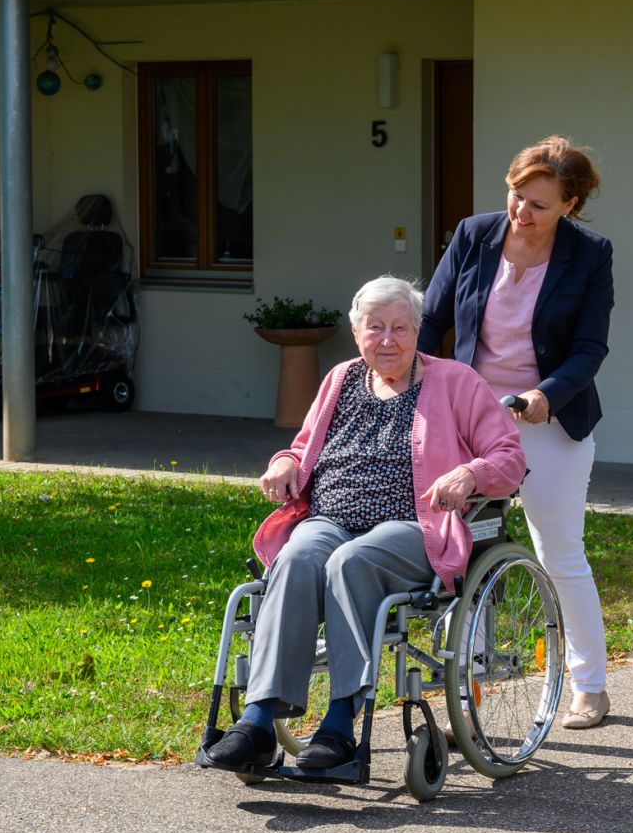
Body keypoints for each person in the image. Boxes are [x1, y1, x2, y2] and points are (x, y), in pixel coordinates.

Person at [203, 276, 526, 774]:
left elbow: (508, 456)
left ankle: (338, 724)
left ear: (419, 330)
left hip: (412, 525)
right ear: (356, 332)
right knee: (295, 558)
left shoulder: (455, 382)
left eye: (400, 327)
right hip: (330, 517)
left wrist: (467, 473)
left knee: (352, 561)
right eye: (375, 328)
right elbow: (304, 446)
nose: (387, 339)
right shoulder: (340, 379)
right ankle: (258, 720)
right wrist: (286, 462)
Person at [419, 136, 616, 729]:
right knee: (463, 552)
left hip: (548, 421)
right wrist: (415, 397)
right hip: (471, 420)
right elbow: (432, 318)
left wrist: (543, 396)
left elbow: (589, 348)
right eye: (515, 195)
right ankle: (470, 682)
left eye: (538, 204)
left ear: (570, 205)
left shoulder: (590, 254)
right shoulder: (474, 234)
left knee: (560, 553)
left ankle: (590, 686)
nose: (520, 212)